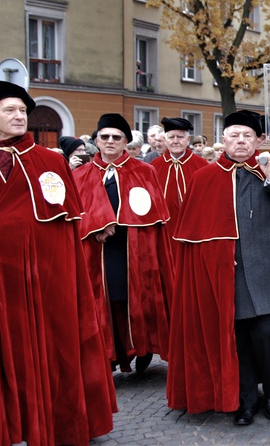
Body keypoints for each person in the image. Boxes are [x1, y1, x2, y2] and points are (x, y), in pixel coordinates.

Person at [166, 110, 270, 425]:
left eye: (247, 136)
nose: (240, 142)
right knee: (238, 338)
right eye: (234, 136)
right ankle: (245, 400)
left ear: (258, 140)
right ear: (224, 140)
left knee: (268, 335)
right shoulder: (204, 178)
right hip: (229, 275)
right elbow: (192, 236)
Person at [0, 81, 116, 445]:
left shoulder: (51, 160)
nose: (19, 116)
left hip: (42, 279)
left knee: (53, 349)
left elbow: (65, 228)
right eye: (10, 110)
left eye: (23, 111)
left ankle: (57, 422)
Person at [73, 113, 174, 374]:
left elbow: (156, 214)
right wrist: (96, 226)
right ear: (96, 140)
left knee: (134, 299)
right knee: (105, 302)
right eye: (104, 137)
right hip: (97, 250)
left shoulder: (144, 171)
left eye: (116, 137)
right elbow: (73, 216)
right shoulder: (80, 175)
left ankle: (141, 349)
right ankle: (111, 353)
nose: (109, 142)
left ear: (125, 142)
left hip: (134, 248)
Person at [150, 117, 208, 249]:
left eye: (180, 137)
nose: (175, 141)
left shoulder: (202, 166)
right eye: (171, 137)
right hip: (163, 233)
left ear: (188, 140)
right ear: (165, 140)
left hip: (194, 233)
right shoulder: (153, 167)